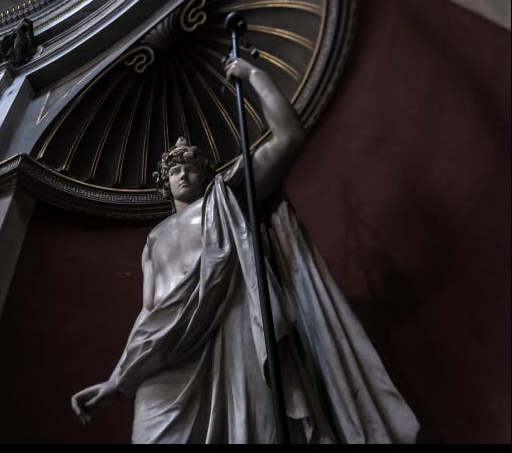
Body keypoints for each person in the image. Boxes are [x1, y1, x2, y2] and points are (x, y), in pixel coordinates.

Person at [71, 56, 419, 443]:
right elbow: (148, 312)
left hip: (232, 325)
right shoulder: (154, 239)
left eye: (190, 167)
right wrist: (117, 381)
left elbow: (288, 137)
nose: (183, 173)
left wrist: (253, 75)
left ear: (205, 174)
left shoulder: (228, 197)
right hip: (163, 355)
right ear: (164, 183)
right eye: (174, 170)